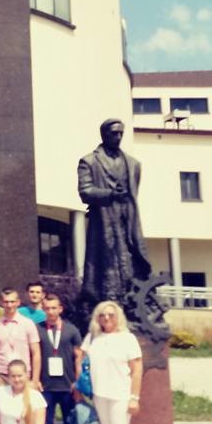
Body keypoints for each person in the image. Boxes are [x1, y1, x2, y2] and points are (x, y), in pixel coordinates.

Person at [78, 119, 151, 308]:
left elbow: (133, 192)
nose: (118, 137)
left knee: (131, 258)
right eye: (113, 133)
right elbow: (85, 191)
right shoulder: (89, 161)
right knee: (105, 263)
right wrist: (109, 194)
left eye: (121, 133)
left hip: (128, 219)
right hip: (103, 219)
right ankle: (104, 300)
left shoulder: (133, 164)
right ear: (104, 135)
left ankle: (132, 301)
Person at [81, 301, 143, 424]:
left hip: (120, 395)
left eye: (111, 315)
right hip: (100, 394)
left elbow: (137, 369)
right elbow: (81, 358)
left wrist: (134, 398)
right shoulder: (93, 337)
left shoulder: (127, 338)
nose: (106, 318)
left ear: (118, 317)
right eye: (102, 315)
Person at [37, 293, 85, 424]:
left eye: (53, 308)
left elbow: (78, 358)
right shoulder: (38, 329)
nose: (50, 311)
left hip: (68, 386)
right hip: (45, 386)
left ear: (60, 309)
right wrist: (34, 380)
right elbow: (34, 356)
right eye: (47, 308)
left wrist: (78, 383)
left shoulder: (71, 330)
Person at [0, 288, 41, 395]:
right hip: (0, 375)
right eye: (6, 302)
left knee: (23, 405)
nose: (9, 305)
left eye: (12, 301)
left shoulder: (28, 324)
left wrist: (35, 380)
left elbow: (36, 353)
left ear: (18, 302)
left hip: (22, 374)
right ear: (1, 303)